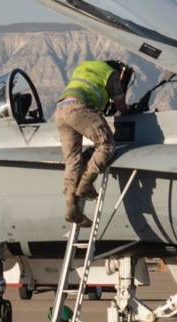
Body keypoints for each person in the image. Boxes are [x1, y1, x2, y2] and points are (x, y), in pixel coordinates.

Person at [55, 60, 129, 226]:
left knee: (73, 159)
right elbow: (120, 103)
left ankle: (71, 207)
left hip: (60, 109)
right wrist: (128, 110)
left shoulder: (83, 66)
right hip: (79, 108)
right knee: (106, 145)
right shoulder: (112, 74)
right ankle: (86, 184)